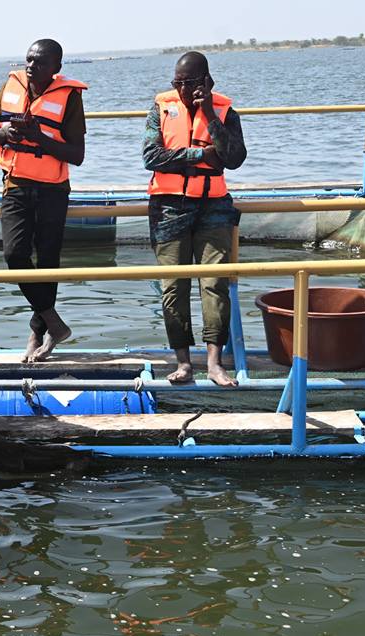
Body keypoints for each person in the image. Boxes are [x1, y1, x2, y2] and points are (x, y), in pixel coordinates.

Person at [143, 51, 247, 386]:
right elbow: (152, 156)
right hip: (169, 206)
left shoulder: (225, 111)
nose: (183, 89)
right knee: (174, 285)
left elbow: (233, 158)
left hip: (213, 207)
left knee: (214, 282)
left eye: (190, 83)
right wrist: (200, 155)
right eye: (178, 82)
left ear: (206, 81)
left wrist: (208, 117)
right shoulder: (159, 108)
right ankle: (183, 362)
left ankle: (215, 363)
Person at [0, 38, 87, 363]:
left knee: (48, 262)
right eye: (29, 60)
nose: (31, 66)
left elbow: (77, 154)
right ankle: (54, 323)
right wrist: (5, 135)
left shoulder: (69, 97)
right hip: (15, 183)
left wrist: (39, 138)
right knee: (14, 254)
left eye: (40, 62)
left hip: (53, 189)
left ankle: (38, 332)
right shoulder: (9, 86)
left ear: (56, 68)